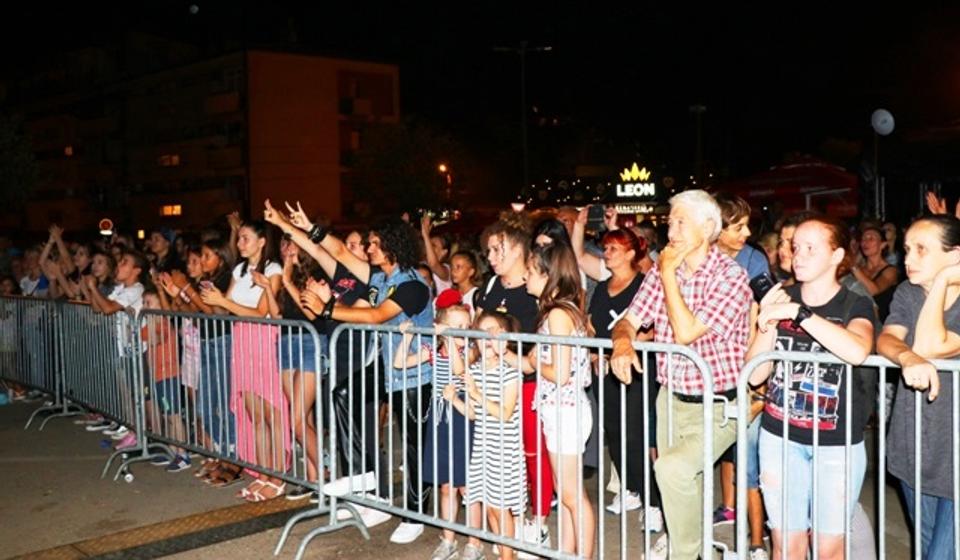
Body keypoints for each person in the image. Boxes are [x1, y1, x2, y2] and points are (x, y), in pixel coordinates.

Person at [610, 190, 752, 560]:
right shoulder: (661, 273)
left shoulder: (731, 277)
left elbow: (686, 332)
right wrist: (622, 342)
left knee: (671, 470)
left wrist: (668, 273)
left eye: (680, 222)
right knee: (689, 484)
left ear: (707, 228)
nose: (670, 232)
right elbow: (629, 320)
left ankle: (683, 555)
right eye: (670, 222)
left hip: (719, 405)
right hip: (670, 399)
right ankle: (702, 551)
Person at [283, 200, 434, 544]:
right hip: (385, 365)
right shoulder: (379, 277)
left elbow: (376, 316)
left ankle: (415, 515)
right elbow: (338, 251)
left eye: (375, 243)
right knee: (344, 394)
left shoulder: (412, 285)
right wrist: (307, 228)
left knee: (413, 445)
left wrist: (327, 309)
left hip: (415, 373)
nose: (368, 249)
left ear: (392, 246)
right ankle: (365, 482)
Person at [746, 216, 876, 560]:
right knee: (786, 546)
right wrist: (768, 321)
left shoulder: (855, 303)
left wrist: (799, 313)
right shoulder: (780, 297)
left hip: (836, 443)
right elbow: (756, 374)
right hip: (780, 437)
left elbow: (857, 350)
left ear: (836, 256)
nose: (798, 255)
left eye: (809, 248)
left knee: (829, 548)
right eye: (795, 247)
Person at [877, 214, 960, 559]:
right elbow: (886, 339)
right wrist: (906, 357)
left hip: (956, 453)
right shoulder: (907, 293)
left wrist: (943, 281)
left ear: (955, 255)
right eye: (907, 248)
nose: (908, 259)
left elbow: (929, 345)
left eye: (921, 249)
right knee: (926, 550)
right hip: (915, 446)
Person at [577, 215, 664, 528]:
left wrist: (630, 343)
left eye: (613, 248)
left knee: (637, 434)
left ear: (630, 253)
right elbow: (591, 324)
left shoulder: (644, 285)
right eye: (606, 248)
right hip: (605, 371)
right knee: (614, 431)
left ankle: (653, 501)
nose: (606, 253)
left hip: (638, 371)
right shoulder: (602, 288)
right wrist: (594, 349)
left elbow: (655, 329)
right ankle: (631, 489)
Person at [476, 211, 552, 552]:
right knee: (500, 455)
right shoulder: (492, 286)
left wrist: (511, 356)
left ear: (519, 249)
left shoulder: (538, 285)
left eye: (497, 250)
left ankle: (539, 521)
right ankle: (510, 522)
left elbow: (544, 340)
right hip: (493, 380)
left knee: (532, 453)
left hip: (529, 381)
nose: (491, 258)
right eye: (489, 251)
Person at [200, 220, 288, 502]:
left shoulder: (273, 269)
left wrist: (224, 302)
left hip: (263, 339)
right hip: (242, 340)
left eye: (246, 238)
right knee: (254, 413)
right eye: (239, 238)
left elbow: (261, 311)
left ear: (262, 241)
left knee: (271, 410)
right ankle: (263, 473)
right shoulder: (238, 270)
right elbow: (224, 309)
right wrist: (208, 296)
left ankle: (278, 477)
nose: (239, 244)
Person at [524, 242, 595, 558]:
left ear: (546, 274)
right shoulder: (561, 311)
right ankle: (567, 552)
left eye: (530, 271)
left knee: (572, 494)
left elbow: (561, 372)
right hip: (560, 410)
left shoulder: (558, 314)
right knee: (566, 493)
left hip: (566, 411)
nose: (525, 277)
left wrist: (536, 361)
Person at [394, 298, 480, 560]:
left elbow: (459, 370)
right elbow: (400, 363)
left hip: (462, 416)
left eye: (465, 326)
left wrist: (451, 340)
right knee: (446, 485)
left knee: (467, 486)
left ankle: (474, 543)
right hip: (441, 418)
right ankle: (448, 539)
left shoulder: (470, 352)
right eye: (455, 326)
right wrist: (407, 337)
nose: (461, 332)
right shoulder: (433, 350)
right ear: (440, 327)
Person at [444, 311, 526, 560]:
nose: (488, 338)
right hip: (482, 448)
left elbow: (505, 413)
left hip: (504, 448)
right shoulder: (475, 371)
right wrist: (455, 400)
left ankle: (508, 556)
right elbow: (472, 414)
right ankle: (504, 553)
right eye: (482, 334)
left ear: (505, 339)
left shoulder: (510, 372)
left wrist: (477, 394)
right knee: (490, 507)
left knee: (501, 509)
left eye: (493, 333)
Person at [850, 224, 898, 321]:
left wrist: (852, 265)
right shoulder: (859, 270)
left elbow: (873, 290)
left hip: (882, 323)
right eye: (863, 239)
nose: (865, 242)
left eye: (871, 239)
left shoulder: (890, 270)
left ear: (882, 245)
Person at [421, 214, 454, 294]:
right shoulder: (422, 264)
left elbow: (433, 264)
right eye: (429, 244)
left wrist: (425, 235)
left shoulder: (447, 269)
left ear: (444, 252)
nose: (428, 247)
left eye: (433, 245)